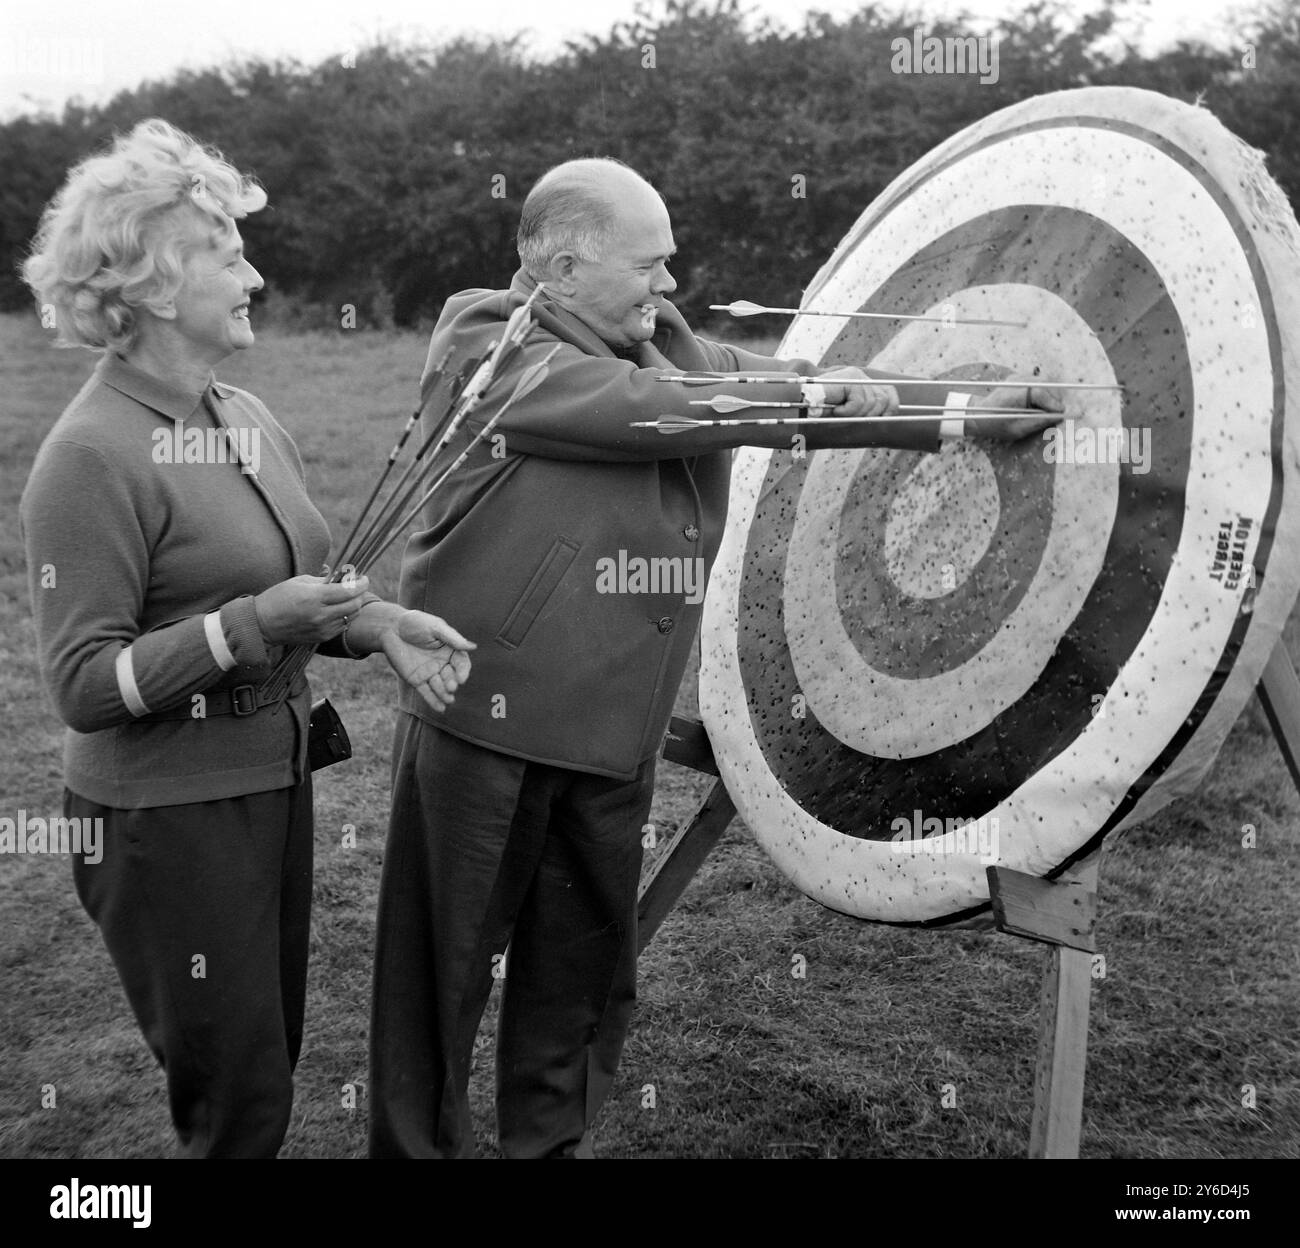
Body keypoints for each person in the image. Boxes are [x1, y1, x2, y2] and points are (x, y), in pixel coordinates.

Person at [369, 156, 1061, 1158]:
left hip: (612, 732)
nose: (668, 286)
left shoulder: (663, 344)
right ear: (561, 265)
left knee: (581, 976)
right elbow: (649, 415)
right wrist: (819, 400)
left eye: (670, 266)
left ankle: (543, 1147)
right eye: (649, 265)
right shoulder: (489, 341)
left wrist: (960, 412)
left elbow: (766, 385)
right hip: (486, 721)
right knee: (441, 974)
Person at [19, 118, 474, 1158]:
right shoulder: (88, 456)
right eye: (228, 257)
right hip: (163, 821)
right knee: (237, 1099)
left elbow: (291, 584)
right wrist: (249, 627)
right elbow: (83, 686)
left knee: (260, 1062)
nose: (256, 275)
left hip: (272, 783)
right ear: (153, 283)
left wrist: (376, 621)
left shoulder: (245, 413)